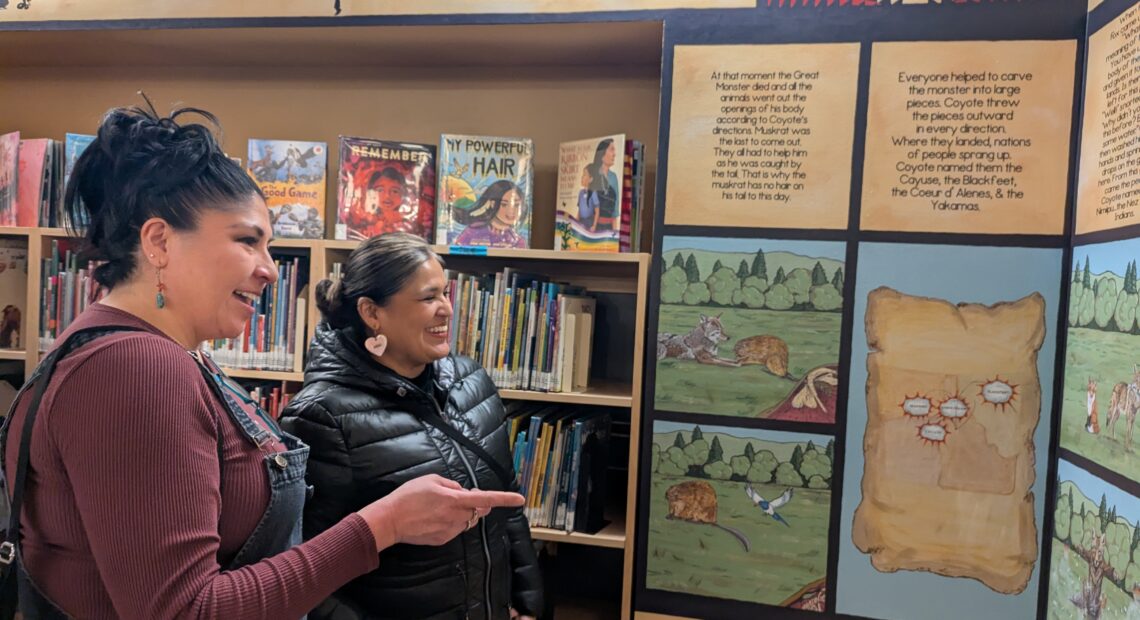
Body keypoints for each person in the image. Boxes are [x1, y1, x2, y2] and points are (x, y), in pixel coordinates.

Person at [0, 104, 523, 619]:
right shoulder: (135, 369)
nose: (270, 271)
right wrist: (381, 526)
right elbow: (185, 610)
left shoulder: (169, 355)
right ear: (159, 241)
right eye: (247, 241)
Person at [280, 232, 543, 620]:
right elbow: (309, 569)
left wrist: (528, 605)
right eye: (428, 297)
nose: (447, 310)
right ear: (372, 313)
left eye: (446, 293)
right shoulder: (322, 417)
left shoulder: (471, 382)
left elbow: (506, 505)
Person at [452, 179, 528, 248]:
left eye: (517, 205)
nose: (511, 211)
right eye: (504, 204)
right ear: (492, 204)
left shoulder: (517, 240)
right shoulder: (474, 230)